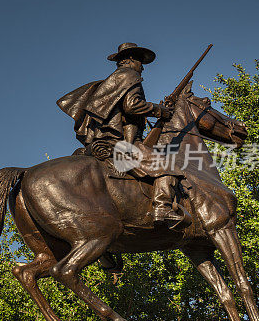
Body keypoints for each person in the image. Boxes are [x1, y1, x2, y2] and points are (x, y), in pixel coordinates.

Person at [57, 42, 187, 228]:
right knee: (167, 166)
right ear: (132, 60)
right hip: (121, 143)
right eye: (140, 62)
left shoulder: (113, 80)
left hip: (104, 140)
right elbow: (132, 106)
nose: (142, 67)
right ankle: (162, 207)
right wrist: (159, 110)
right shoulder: (130, 76)